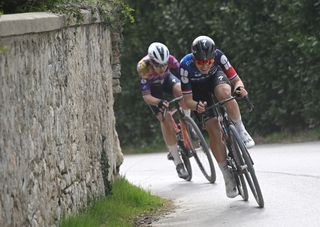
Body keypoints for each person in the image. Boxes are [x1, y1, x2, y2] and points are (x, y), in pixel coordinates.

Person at [179, 35, 255, 198]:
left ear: (214, 58)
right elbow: (187, 100)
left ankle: (241, 130)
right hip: (198, 92)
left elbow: (237, 80)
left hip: (216, 81)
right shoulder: (185, 65)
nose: (205, 66)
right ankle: (227, 175)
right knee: (213, 128)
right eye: (200, 62)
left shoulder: (220, 56)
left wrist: (241, 89)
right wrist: (196, 106)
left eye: (209, 62)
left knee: (226, 93)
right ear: (194, 59)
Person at [137, 42, 189, 179]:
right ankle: (178, 163)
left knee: (181, 90)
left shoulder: (171, 60)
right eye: (158, 65)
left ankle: (186, 124)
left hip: (167, 80)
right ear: (151, 62)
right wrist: (159, 102)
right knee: (165, 117)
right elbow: (146, 96)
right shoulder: (143, 68)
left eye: (165, 64)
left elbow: (184, 78)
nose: (162, 67)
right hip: (153, 91)